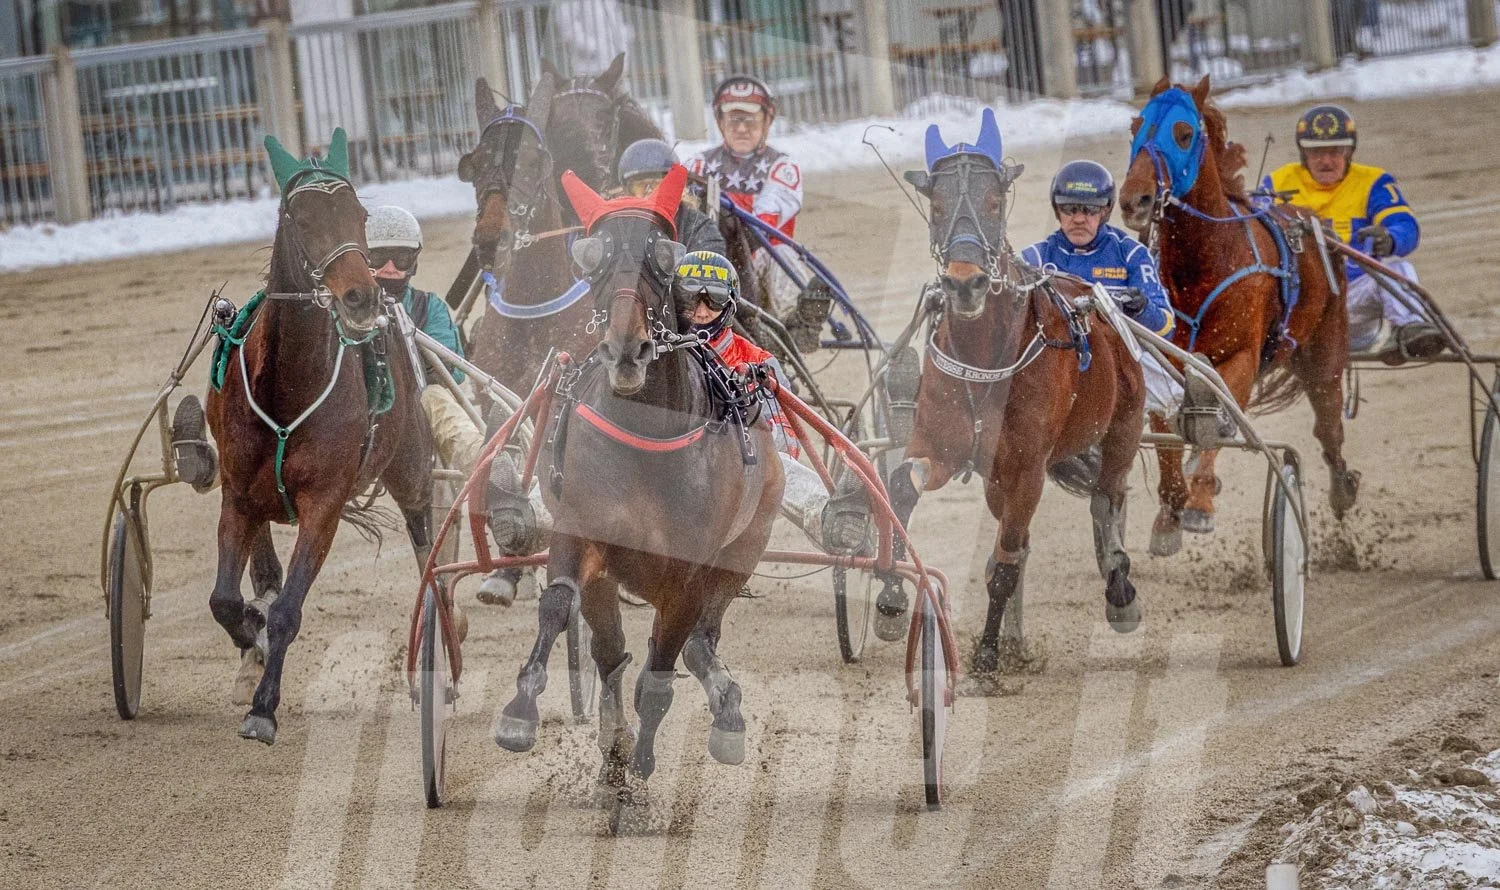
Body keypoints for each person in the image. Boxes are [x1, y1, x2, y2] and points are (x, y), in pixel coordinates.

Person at [168, 205, 485, 492]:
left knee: (437, 399)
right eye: (379, 258)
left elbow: (449, 371)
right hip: (343, 411)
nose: (390, 269)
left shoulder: (429, 308)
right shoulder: (331, 304)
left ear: (414, 262)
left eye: (400, 259)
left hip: (413, 410)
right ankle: (208, 463)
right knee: (268, 410)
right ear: (361, 257)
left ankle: (485, 465)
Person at [672, 251, 869, 554]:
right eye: (690, 299)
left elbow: (785, 445)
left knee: (772, 462)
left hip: (736, 474)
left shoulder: (758, 361)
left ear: (730, 304)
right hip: (674, 469)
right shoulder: (659, 354)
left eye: (713, 299)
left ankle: (831, 519)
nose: (700, 311)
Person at [1264, 104, 1442, 362]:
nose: (1326, 161)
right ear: (1303, 152)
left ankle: (1411, 330)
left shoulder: (1373, 182)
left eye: (1335, 151)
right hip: (1296, 311)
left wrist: (1391, 239)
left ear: (1349, 151)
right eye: (1317, 152)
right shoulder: (1276, 183)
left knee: (1400, 270)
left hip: (1351, 308)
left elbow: (1405, 225)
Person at [1021, 160, 1188, 422]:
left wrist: (1141, 307)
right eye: (1069, 208)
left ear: (1106, 210)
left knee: (1174, 393)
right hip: (1056, 363)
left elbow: (1166, 327)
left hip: (1121, 363)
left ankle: (1192, 409)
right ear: (1056, 209)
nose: (1079, 218)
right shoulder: (1033, 259)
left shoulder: (1131, 254)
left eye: (1090, 209)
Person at [686, 75, 844, 341]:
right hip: (704, 268)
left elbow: (763, 223)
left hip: (756, 264)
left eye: (750, 120)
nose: (742, 128)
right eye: (734, 119)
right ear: (720, 122)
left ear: (767, 121)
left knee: (783, 252)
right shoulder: (696, 165)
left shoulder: (782, 167)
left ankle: (795, 327)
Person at [618, 138, 727, 255]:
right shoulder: (617, 224)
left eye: (657, 185)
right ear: (628, 191)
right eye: (642, 185)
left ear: (674, 187)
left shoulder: (697, 226)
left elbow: (708, 259)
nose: (650, 191)